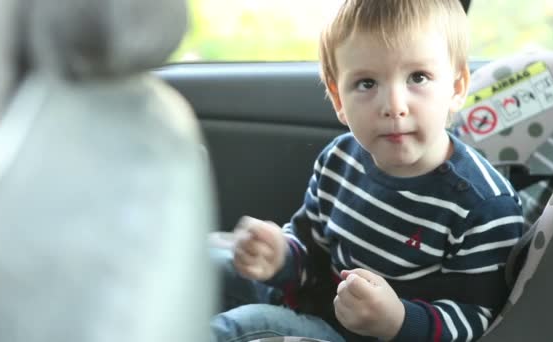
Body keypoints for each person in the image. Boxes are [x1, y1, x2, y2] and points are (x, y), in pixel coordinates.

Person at [210, 0, 524, 341]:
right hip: (310, 304)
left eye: (418, 77)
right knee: (200, 266)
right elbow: (311, 249)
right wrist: (281, 256)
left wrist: (398, 320)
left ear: (457, 87)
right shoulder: (339, 160)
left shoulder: (485, 205)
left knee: (239, 328)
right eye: (367, 83)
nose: (393, 106)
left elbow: (477, 317)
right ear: (338, 98)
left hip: (359, 337)